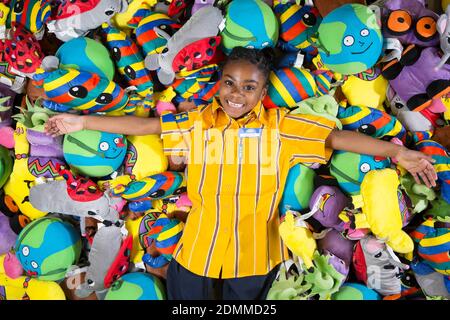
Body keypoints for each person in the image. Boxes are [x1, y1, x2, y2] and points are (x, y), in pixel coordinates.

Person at [45, 47, 437, 300]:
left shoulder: (281, 127)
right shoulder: (199, 122)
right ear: (218, 85)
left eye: (249, 87)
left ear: (262, 93)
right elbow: (145, 127)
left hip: (257, 265)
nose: (237, 93)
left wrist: (397, 152)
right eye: (230, 82)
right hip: (194, 259)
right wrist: (80, 123)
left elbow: (337, 139)